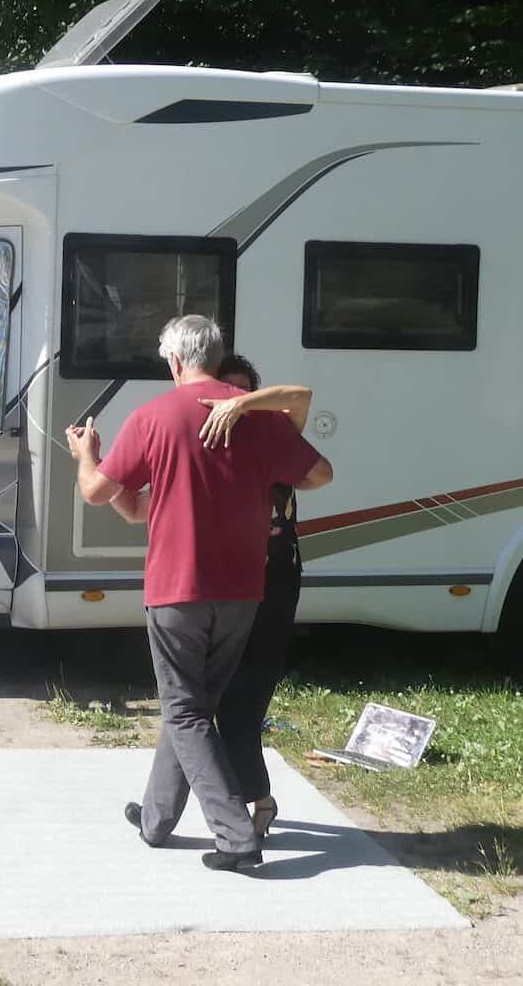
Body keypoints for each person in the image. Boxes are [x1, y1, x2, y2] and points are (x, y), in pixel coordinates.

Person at [66, 315, 333, 872]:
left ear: (175, 362)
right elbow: (320, 475)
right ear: (216, 356)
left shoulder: (153, 416)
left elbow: (95, 492)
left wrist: (86, 452)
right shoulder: (255, 416)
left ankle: (235, 837)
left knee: (185, 710)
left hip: (177, 588)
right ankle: (156, 820)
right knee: (193, 706)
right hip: (243, 589)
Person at [200, 354, 310, 839]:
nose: (233, 402)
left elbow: (301, 397)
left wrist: (243, 406)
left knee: (242, 702)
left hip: (274, 582)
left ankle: (257, 801)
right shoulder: (208, 439)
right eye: (225, 392)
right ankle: (174, 806)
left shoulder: (274, 433)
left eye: (243, 392)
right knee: (202, 701)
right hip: (225, 581)